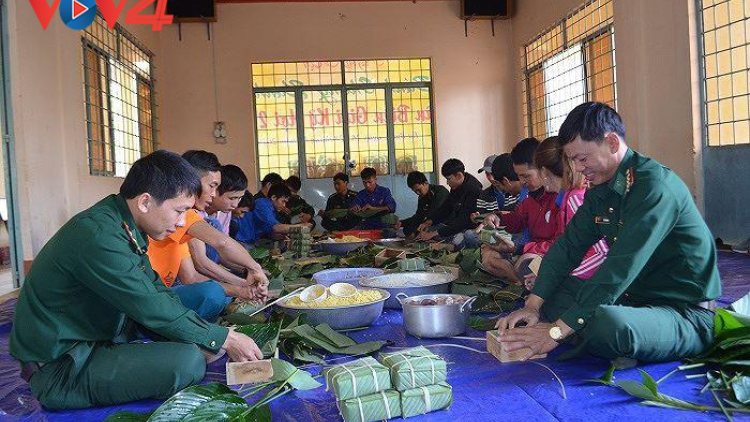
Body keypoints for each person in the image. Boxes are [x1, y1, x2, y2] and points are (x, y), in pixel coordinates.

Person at [10, 151, 265, 410]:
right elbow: (149, 306)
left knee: (202, 305)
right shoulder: (100, 236)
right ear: (145, 202)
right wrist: (221, 339)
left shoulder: (123, 224)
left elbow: (155, 291)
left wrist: (208, 335)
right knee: (187, 362)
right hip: (64, 367)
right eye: (179, 211)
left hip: (105, 330)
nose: (180, 224)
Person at [496, 102, 721, 362]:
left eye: (582, 158)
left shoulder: (654, 188)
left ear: (612, 143)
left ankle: (593, 333)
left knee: (610, 325)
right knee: (552, 295)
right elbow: (568, 246)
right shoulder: (602, 189)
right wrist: (532, 306)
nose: (577, 168)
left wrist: (556, 331)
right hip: (633, 299)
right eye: (571, 159)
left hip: (682, 311)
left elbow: (619, 268)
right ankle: (584, 331)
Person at [148, 151, 268, 322]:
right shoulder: (183, 217)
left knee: (216, 293)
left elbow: (191, 277)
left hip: (162, 294)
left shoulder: (183, 218)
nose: (213, 193)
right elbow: (221, 243)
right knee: (212, 293)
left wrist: (242, 290)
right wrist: (254, 269)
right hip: (149, 301)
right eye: (212, 186)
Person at [512, 136, 609, 291]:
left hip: (590, 278)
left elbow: (601, 254)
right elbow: (564, 245)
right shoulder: (564, 198)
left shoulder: (575, 199)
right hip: (574, 268)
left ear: (543, 171)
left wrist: (557, 276)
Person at [480, 138, 556, 284]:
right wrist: (497, 219)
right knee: (489, 255)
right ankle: (520, 284)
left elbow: (561, 244)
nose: (522, 181)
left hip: (547, 257)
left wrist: (519, 248)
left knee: (526, 263)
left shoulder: (560, 197)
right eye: (519, 176)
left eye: (526, 176)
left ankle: (524, 287)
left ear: (543, 169)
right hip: (530, 252)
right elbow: (517, 219)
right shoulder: (531, 199)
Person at [415, 158, 482, 245]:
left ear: (459, 176)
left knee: (458, 239)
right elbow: (445, 208)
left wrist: (432, 234)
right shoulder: (457, 186)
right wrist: (429, 221)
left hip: (468, 229)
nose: (447, 182)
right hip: (456, 226)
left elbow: (462, 221)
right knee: (430, 229)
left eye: (448, 179)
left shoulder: (473, 190)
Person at [248, 183, 312, 243]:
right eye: (283, 201)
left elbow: (272, 233)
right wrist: (301, 226)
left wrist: (282, 236)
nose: (284, 205)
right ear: (273, 197)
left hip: (253, 241)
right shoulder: (262, 204)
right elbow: (276, 228)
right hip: (243, 241)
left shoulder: (272, 211)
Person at [398, 171, 449, 237]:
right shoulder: (422, 198)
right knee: (408, 229)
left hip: (443, 223)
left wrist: (426, 223)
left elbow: (437, 214)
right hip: (429, 223)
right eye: (415, 191)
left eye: (419, 190)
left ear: (425, 183)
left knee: (427, 230)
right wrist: (401, 223)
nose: (418, 193)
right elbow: (418, 217)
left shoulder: (440, 191)